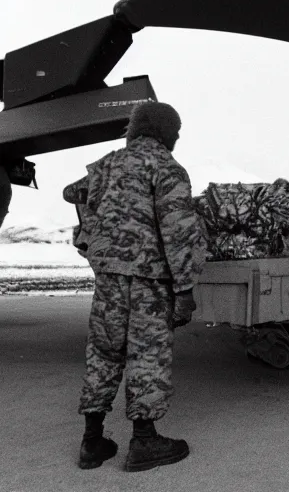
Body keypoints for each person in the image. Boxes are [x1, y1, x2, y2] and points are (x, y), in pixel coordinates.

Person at [63, 101, 207, 471]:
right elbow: (178, 232)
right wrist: (186, 289)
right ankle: (144, 442)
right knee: (147, 356)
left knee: (104, 354)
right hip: (149, 283)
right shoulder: (167, 168)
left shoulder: (106, 165)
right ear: (161, 129)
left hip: (108, 281)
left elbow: (74, 197)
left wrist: (95, 251)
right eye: (175, 129)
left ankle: (92, 442)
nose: (177, 136)